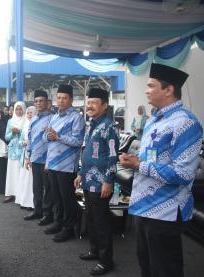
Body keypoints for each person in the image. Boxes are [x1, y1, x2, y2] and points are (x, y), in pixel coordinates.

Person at [120, 63, 203, 277]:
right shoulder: (155, 120)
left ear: (169, 90)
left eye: (151, 86)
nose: (146, 90)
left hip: (165, 211)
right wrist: (137, 159)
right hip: (144, 204)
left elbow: (184, 174)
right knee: (146, 264)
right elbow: (154, 158)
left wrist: (140, 165)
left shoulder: (186, 123)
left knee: (165, 269)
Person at [74, 88, 119, 276]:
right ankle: (94, 250)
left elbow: (112, 156)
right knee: (91, 219)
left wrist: (108, 181)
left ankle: (106, 260)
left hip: (101, 182)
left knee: (101, 222)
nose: (89, 105)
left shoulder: (109, 126)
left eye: (94, 102)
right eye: (88, 102)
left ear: (104, 105)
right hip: (87, 180)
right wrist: (79, 174)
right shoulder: (91, 124)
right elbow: (85, 152)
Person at [44, 84, 85, 242]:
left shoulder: (77, 117)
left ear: (71, 100)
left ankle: (69, 228)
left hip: (67, 166)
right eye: (59, 98)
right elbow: (48, 138)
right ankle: (58, 222)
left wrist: (58, 136)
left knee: (67, 198)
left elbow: (78, 141)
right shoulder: (54, 117)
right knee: (56, 197)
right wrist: (49, 138)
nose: (61, 101)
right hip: (53, 163)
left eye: (64, 98)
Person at [23, 90, 54, 226]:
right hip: (35, 158)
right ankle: (38, 210)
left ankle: (47, 214)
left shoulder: (52, 118)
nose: (39, 103)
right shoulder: (33, 120)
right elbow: (29, 139)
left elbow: (54, 141)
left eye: (41, 101)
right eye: (36, 101)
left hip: (47, 159)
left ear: (47, 102)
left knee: (47, 188)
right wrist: (28, 156)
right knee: (36, 187)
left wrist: (50, 159)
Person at [4, 101, 26, 203]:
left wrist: (20, 132)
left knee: (20, 172)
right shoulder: (10, 121)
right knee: (11, 171)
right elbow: (6, 137)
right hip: (13, 150)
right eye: (16, 109)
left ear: (24, 109)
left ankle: (19, 195)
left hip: (22, 150)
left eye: (20, 108)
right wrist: (12, 133)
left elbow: (27, 134)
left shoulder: (26, 120)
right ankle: (10, 193)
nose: (18, 111)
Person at [15, 106, 37, 209]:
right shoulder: (24, 126)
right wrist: (24, 142)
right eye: (27, 113)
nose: (29, 114)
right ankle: (23, 201)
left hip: (33, 155)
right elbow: (19, 142)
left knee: (31, 180)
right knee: (24, 179)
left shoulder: (37, 126)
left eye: (31, 113)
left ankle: (31, 203)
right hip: (24, 156)